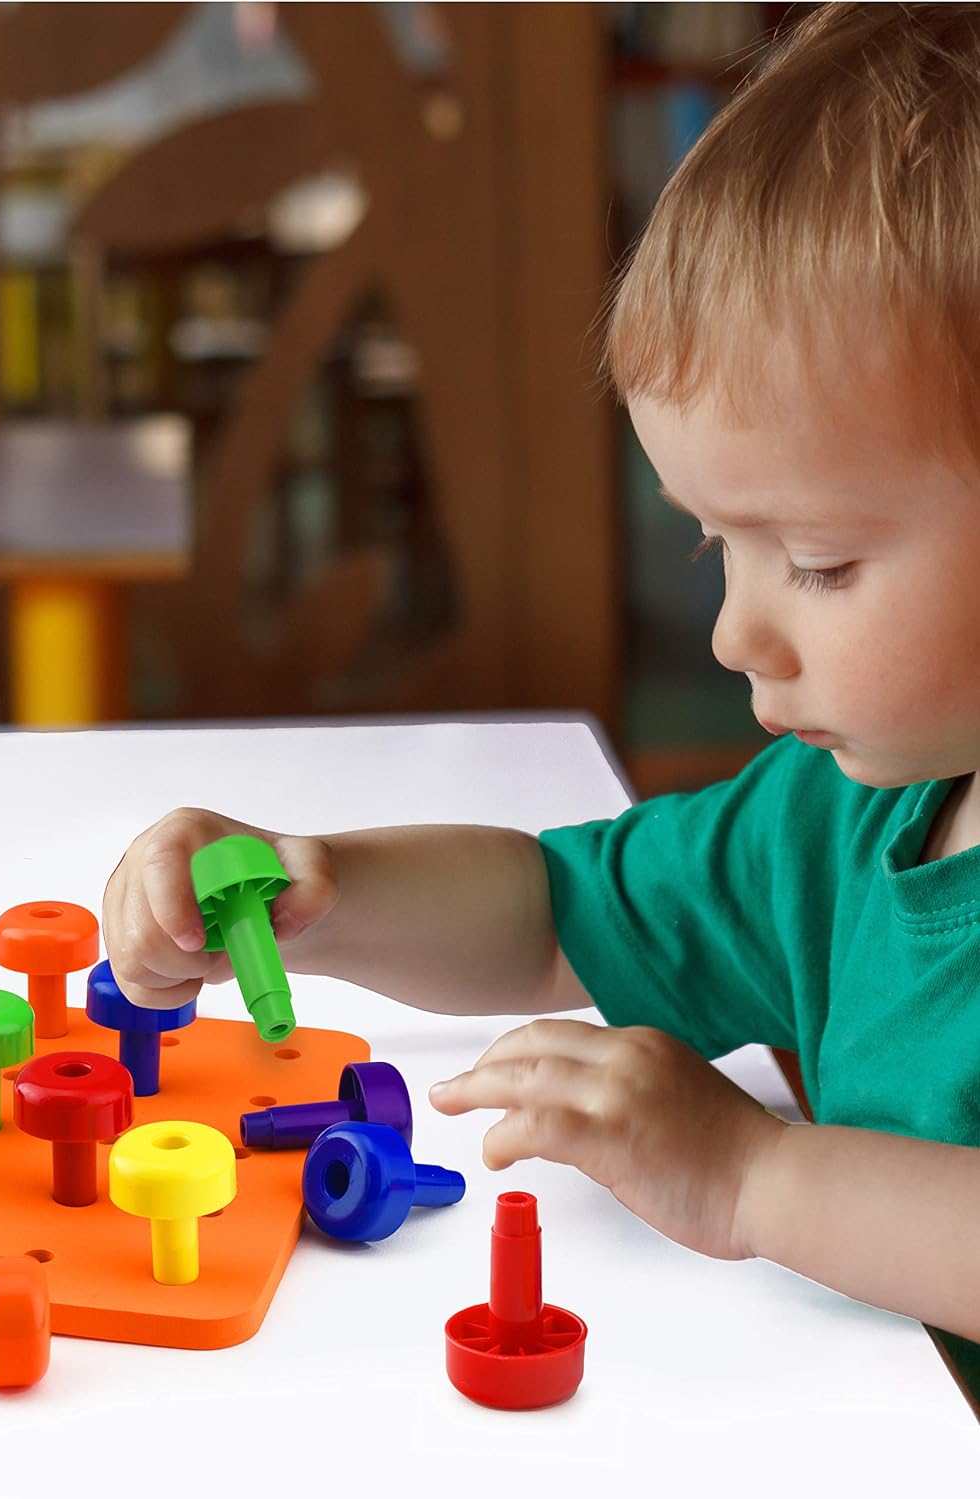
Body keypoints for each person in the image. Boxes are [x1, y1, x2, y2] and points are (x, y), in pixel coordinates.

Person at [101, 4, 980, 1348]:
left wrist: (758, 1177)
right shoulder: (852, 816)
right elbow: (556, 915)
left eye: (816, 561)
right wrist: (317, 891)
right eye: (715, 543)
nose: (732, 636)